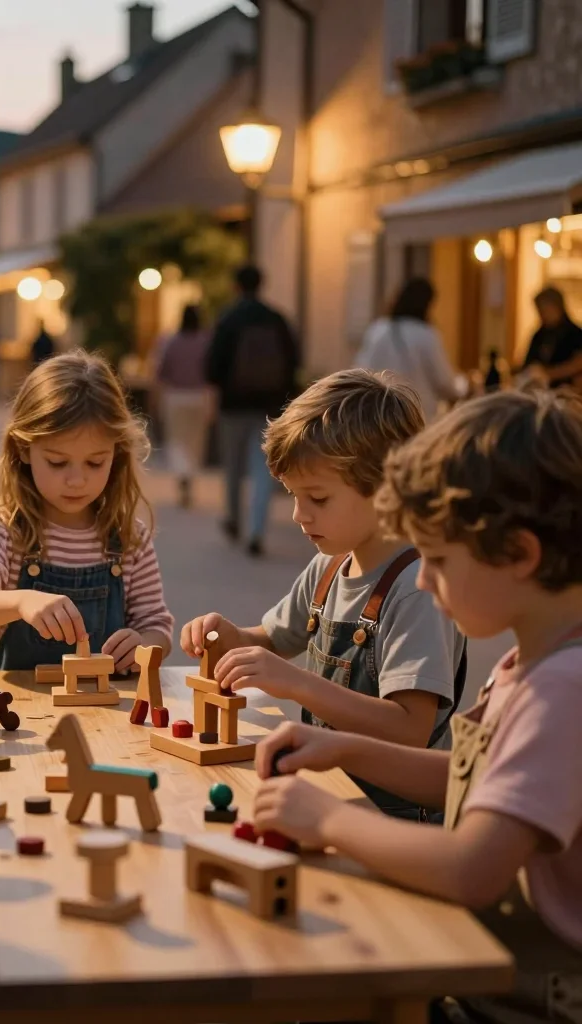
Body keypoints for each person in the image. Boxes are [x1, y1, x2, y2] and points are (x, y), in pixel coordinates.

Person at [252, 388, 582, 1022]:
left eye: (435, 559)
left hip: (527, 1003)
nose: (423, 580)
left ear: (518, 553)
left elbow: (470, 871)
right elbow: (472, 779)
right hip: (491, 972)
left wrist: (328, 821)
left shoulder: (562, 687)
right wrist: (342, 747)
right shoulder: (533, 661)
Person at [180, 369, 466, 819]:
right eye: (293, 495)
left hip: (398, 818)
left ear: (387, 489)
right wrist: (229, 635)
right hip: (330, 792)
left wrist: (297, 683)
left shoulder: (417, 590)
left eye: (317, 498)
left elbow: (410, 728)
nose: (297, 514)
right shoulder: (330, 565)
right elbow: (274, 639)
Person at [0, 350, 174, 673]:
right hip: (17, 716)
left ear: (117, 453)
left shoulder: (128, 536)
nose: (76, 480)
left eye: (95, 462)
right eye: (57, 462)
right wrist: (21, 602)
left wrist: (143, 644)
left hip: (107, 714)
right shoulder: (7, 527)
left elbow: (158, 626)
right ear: (24, 449)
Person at [205, 264, 299, 557]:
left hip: (233, 405)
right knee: (263, 469)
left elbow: (212, 366)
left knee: (233, 466)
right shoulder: (277, 319)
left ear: (236, 285)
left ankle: (234, 518)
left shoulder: (228, 318)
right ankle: (257, 530)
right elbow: (293, 362)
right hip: (269, 406)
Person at [356, 277, 462, 421]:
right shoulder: (426, 334)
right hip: (416, 415)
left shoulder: (378, 330)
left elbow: (361, 371)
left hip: (378, 415)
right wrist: (462, 388)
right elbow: (444, 382)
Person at [155, 304, 213, 508]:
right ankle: (189, 475)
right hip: (199, 395)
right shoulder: (206, 342)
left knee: (177, 439)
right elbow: (212, 373)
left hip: (176, 396)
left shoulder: (171, 341)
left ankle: (183, 475)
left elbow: (160, 371)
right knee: (195, 441)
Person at [520, 285, 582, 388]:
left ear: (557, 307)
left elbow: (578, 364)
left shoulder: (575, 333)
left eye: (545, 309)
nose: (542, 315)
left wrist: (550, 374)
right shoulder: (539, 335)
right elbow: (529, 363)